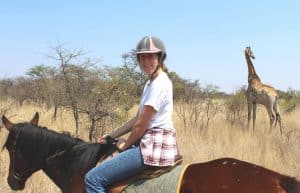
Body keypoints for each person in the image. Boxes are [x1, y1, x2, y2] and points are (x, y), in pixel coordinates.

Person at [85, 35, 180, 193]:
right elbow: (137, 118)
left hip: (153, 146)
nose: (145, 62)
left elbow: (141, 125)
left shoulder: (159, 84)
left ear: (160, 57)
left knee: (92, 179)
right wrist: (112, 135)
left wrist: (124, 146)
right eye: (141, 57)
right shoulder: (150, 83)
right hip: (151, 143)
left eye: (150, 56)